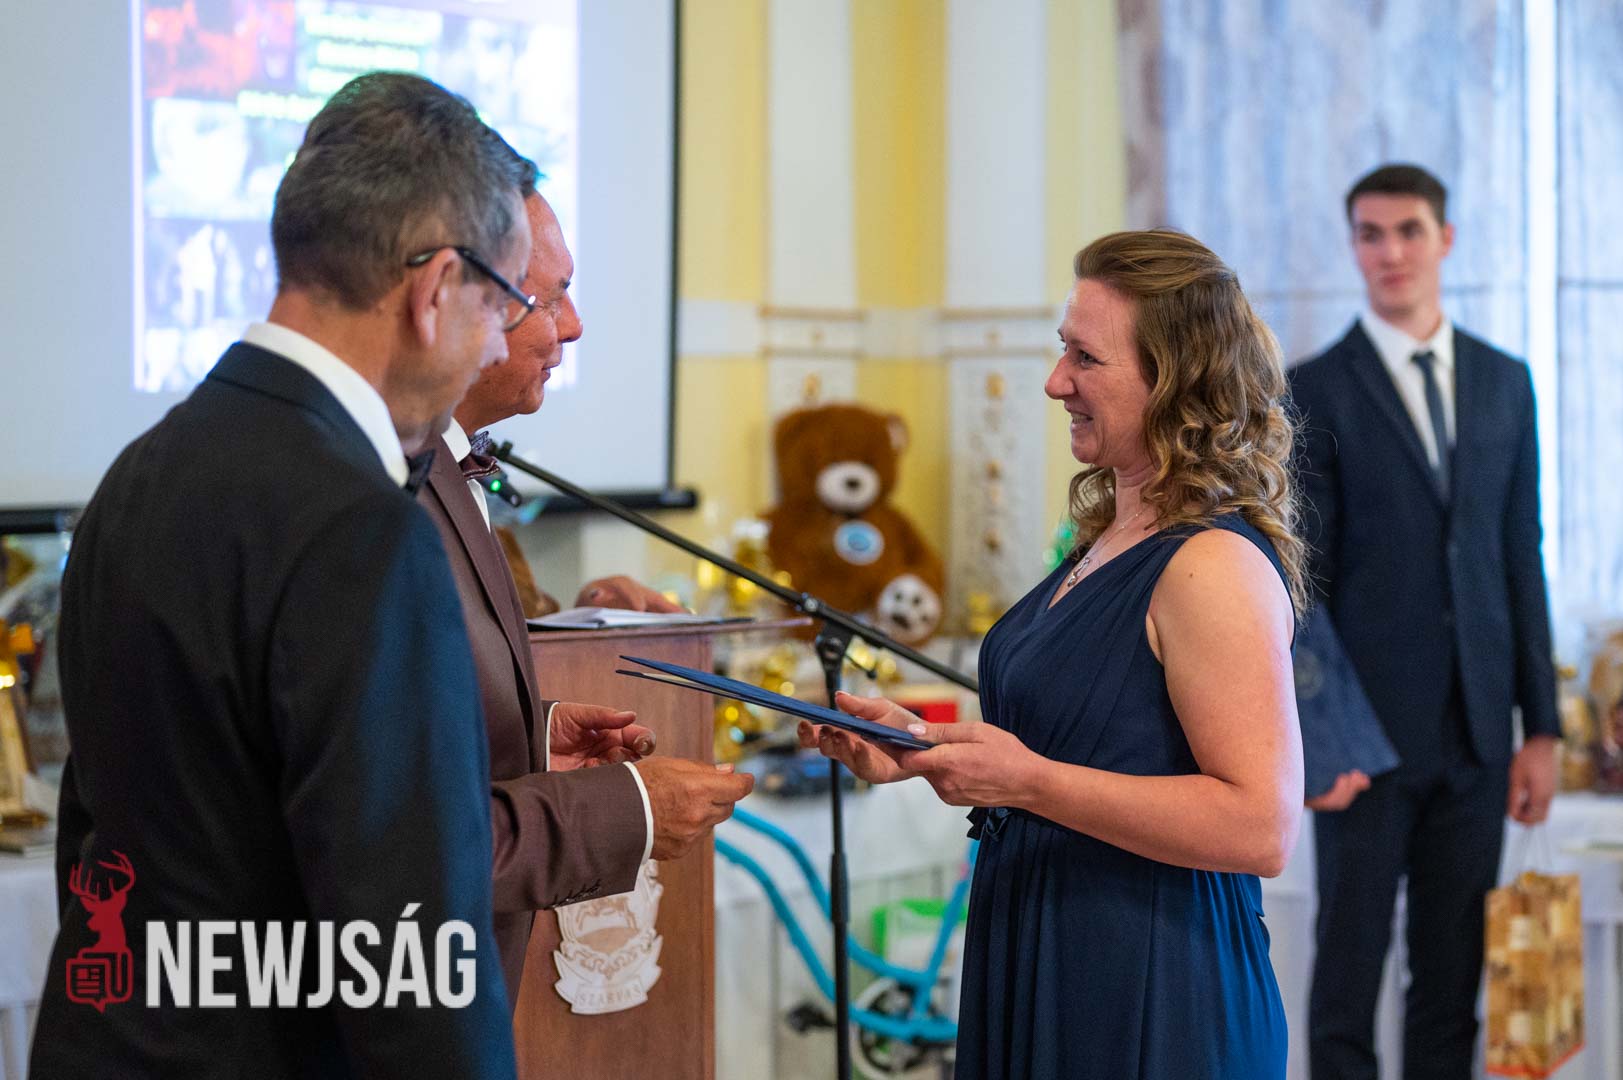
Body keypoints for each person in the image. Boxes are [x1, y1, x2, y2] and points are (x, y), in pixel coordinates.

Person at [32, 73, 529, 1078]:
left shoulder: (138, 473)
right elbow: (412, 957)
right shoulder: (364, 531)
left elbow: (93, 839)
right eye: (502, 305)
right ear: (436, 289)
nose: (494, 347)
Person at [803, 229, 1304, 1079]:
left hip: (1151, 982)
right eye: (1061, 349)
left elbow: (1260, 826)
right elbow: (1082, 737)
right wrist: (918, 748)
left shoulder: (1211, 565)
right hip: (1048, 946)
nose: (1054, 381)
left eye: (1085, 358)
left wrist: (1028, 782)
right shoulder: (1108, 535)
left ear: (1174, 378)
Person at [418, 187, 755, 999]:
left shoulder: (443, 466)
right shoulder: (378, 486)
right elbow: (390, 823)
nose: (572, 326)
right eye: (552, 296)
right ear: (454, 297)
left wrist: (534, 733)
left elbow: (414, 710)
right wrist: (628, 810)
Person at [1292, 163, 1559, 1080]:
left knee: (1450, 988)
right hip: (1362, 744)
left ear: (1444, 239)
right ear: (1352, 247)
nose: (1390, 251)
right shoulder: (1312, 388)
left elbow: (1518, 556)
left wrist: (1540, 728)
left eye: (1407, 230)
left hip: (1477, 739)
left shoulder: (1504, 381)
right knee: (1346, 980)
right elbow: (1300, 582)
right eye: (1370, 234)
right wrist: (1322, 739)